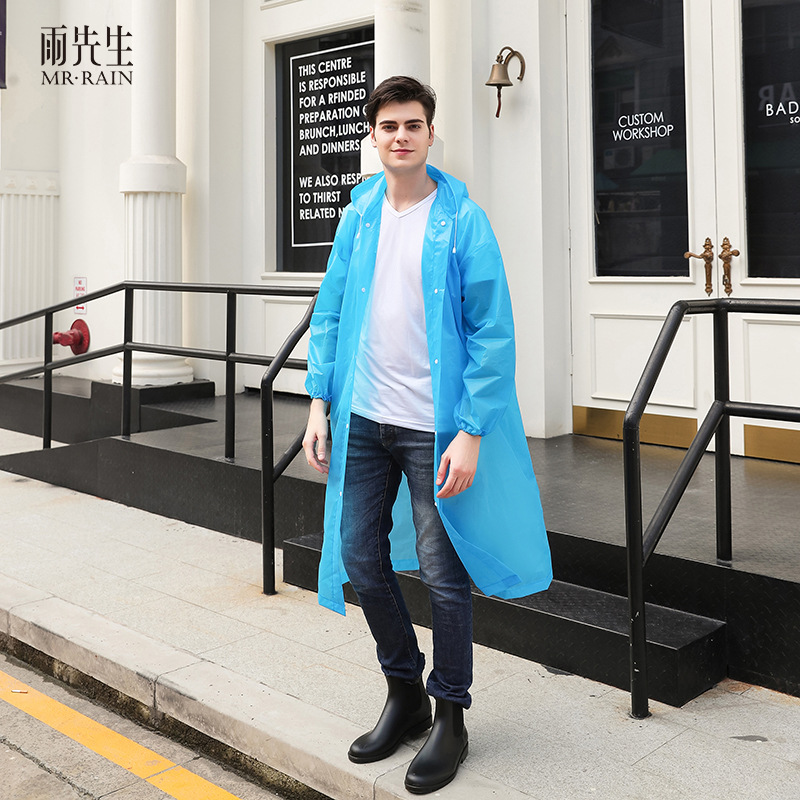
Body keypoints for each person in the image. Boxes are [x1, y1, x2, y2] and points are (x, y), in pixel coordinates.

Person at [302, 75, 552, 794]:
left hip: (431, 428)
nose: (401, 136)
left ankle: (450, 715)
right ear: (372, 137)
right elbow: (330, 311)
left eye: (413, 124)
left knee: (443, 573)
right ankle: (404, 691)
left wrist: (470, 431)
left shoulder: (463, 220)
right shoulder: (359, 215)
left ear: (430, 134)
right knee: (359, 555)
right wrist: (319, 402)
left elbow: (492, 332)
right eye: (389, 126)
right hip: (365, 418)